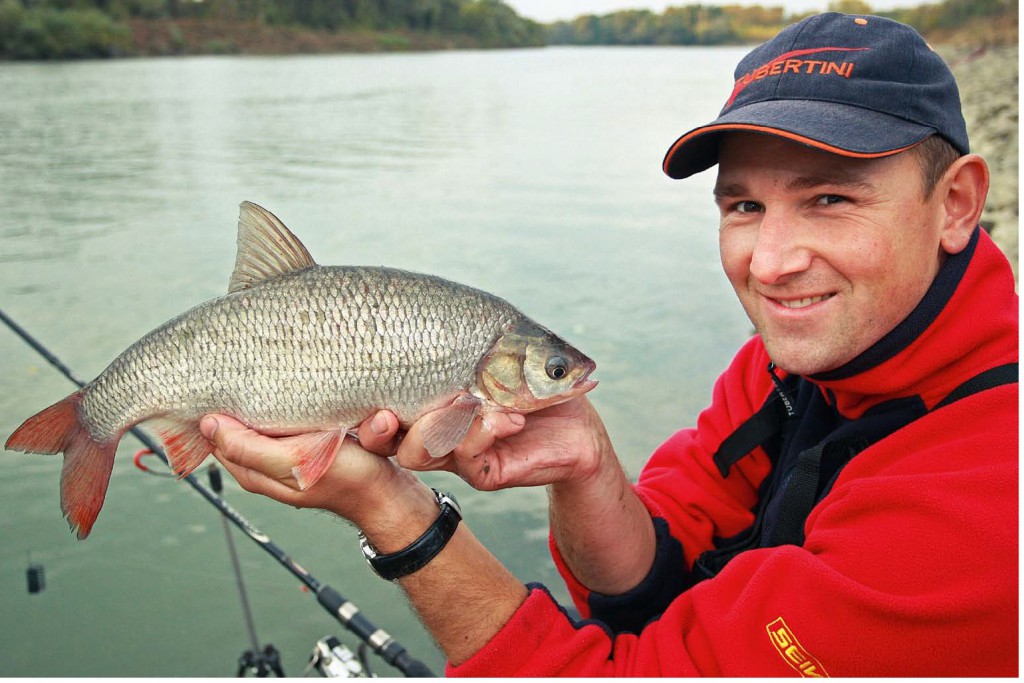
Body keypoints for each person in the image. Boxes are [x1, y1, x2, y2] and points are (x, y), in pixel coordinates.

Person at [199, 13, 1018, 676]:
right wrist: (586, 466)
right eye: (742, 207)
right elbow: (652, 576)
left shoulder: (986, 509)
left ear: (955, 204)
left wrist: (394, 511)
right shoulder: (804, 363)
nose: (770, 263)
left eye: (830, 198)